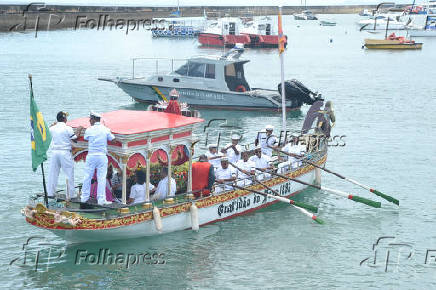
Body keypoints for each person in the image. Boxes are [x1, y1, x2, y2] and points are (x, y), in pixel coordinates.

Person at [81, 111, 116, 205]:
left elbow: (86, 138)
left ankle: (84, 198)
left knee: (87, 177)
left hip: (91, 155)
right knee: (101, 178)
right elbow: (113, 139)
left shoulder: (89, 130)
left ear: (93, 119)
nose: (89, 121)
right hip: (101, 156)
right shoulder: (105, 129)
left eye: (90, 119)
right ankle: (101, 200)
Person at [47, 111, 83, 198]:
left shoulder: (52, 128)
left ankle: (50, 193)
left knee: (53, 173)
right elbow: (75, 139)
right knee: (69, 173)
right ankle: (70, 195)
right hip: (64, 152)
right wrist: (79, 130)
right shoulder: (68, 128)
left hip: (54, 152)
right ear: (65, 119)